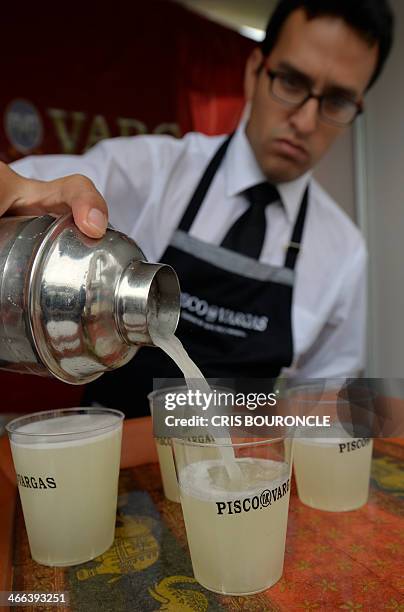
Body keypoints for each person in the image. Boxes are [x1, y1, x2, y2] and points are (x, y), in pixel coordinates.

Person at [0, 0, 394, 416]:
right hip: (117, 460)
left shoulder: (344, 251)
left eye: (336, 101)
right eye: (292, 82)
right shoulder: (150, 173)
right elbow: (23, 187)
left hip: (240, 470)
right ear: (254, 71)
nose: (307, 121)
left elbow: (322, 407)